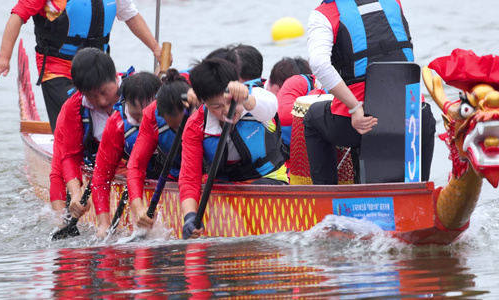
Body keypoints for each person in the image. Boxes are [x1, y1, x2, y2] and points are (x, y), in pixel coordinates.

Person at [303, 0, 435, 184]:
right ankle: (420, 192)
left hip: (363, 120)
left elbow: (319, 64)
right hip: (413, 116)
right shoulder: (393, 3)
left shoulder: (324, 14)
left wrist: (354, 107)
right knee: (426, 116)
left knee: (312, 119)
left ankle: (327, 199)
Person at [0, 0, 164, 132]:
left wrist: (156, 49)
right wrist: (4, 58)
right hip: (58, 69)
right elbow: (18, 16)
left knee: (128, 108)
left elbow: (131, 15)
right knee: (80, 114)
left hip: (97, 71)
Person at [180, 58, 288, 240]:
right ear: (204, 103)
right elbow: (189, 178)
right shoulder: (195, 125)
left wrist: (245, 99)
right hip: (225, 192)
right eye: (217, 106)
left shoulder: (257, 98)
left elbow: (271, 107)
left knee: (256, 191)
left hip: (268, 183)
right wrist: (190, 216)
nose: (227, 110)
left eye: (230, 102)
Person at [67, 71, 161, 237]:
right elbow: (101, 178)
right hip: (138, 172)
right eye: (137, 114)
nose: (143, 120)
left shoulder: (173, 113)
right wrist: (104, 223)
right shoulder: (116, 124)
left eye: (147, 113)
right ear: (125, 102)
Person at [49, 47, 121, 216]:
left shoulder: (137, 91)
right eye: (92, 96)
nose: (102, 101)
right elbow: (70, 157)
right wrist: (76, 194)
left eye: (104, 92)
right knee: (60, 164)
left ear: (115, 78)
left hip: (123, 159)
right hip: (90, 156)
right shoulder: (73, 108)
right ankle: (60, 218)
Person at [127, 68, 193, 231]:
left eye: (182, 125)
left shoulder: (204, 101)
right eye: (174, 126)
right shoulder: (151, 115)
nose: (180, 131)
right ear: (161, 115)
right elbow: (135, 166)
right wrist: (139, 207)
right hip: (177, 175)